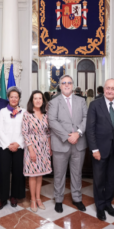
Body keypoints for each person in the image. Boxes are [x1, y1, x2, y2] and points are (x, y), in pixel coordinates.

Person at [86, 79, 114, 221]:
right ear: (104, 89)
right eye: (107, 88)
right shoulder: (95, 104)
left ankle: (108, 203)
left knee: (111, 179)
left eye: (113, 88)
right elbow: (90, 129)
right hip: (99, 150)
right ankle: (100, 206)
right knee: (99, 180)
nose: (110, 90)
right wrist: (94, 149)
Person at [48, 75, 88, 213]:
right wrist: (67, 136)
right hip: (61, 143)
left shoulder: (81, 100)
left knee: (77, 173)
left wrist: (78, 133)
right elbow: (52, 121)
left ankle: (77, 198)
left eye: (69, 83)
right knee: (59, 174)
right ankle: (58, 200)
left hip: (79, 143)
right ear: (59, 86)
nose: (66, 85)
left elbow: (86, 118)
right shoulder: (54, 101)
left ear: (72, 85)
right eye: (63, 83)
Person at [22, 90, 52, 213]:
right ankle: (33, 199)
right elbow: (25, 132)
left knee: (40, 174)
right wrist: (31, 150)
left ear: (43, 100)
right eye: (35, 98)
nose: (38, 100)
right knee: (32, 174)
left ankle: (39, 198)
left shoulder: (46, 114)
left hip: (44, 146)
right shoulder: (27, 114)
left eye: (40, 98)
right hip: (32, 147)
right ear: (32, 100)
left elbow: (49, 132)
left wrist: (49, 147)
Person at [0, 86, 25, 210]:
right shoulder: (3, 111)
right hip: (5, 146)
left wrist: (18, 143)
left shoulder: (24, 112)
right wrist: (9, 144)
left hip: (19, 146)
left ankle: (14, 196)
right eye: (11, 97)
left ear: (19, 99)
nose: (14, 99)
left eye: (16, 97)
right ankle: (3, 198)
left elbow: (26, 130)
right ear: (8, 98)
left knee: (18, 172)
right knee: (4, 172)